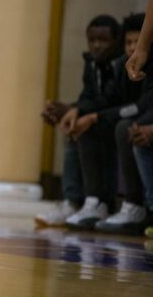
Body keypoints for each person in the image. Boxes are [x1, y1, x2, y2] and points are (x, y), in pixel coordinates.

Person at [35, 15, 121, 228]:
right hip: (100, 116)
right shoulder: (90, 63)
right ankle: (72, 202)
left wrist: (75, 110)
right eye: (92, 40)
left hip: (117, 116)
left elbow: (110, 98)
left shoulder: (122, 64)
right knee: (73, 128)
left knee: (84, 128)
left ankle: (97, 202)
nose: (96, 45)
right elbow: (88, 97)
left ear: (116, 42)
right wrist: (63, 111)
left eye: (103, 40)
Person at [88, 13, 153, 234]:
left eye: (138, 42)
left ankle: (140, 205)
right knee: (91, 128)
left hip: (144, 120)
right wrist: (81, 113)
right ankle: (94, 201)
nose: (133, 47)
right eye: (130, 42)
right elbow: (108, 100)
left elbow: (143, 105)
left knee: (129, 129)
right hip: (138, 119)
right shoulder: (122, 67)